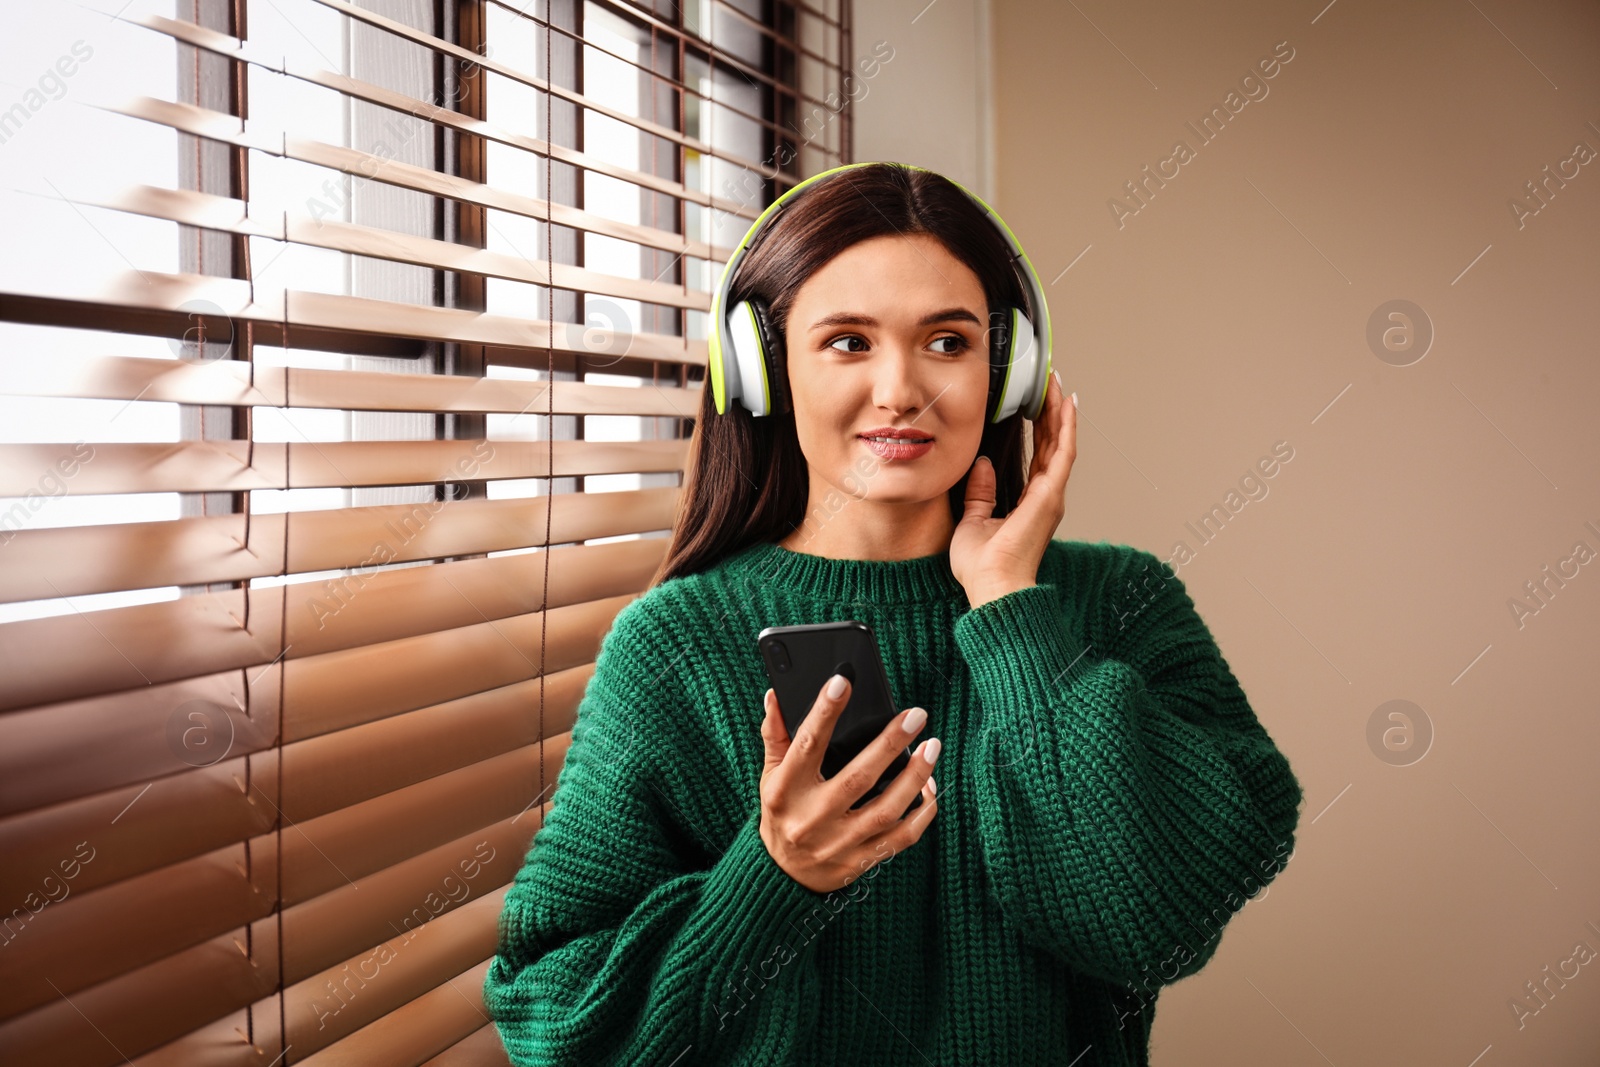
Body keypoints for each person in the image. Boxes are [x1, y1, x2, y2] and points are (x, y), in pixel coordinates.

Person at [483, 162, 1304, 1065]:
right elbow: (558, 1027)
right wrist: (777, 876)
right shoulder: (674, 645)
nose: (902, 389)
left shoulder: (1121, 602)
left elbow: (1149, 925)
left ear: (1010, 369)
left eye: (948, 343)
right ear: (762, 371)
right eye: (847, 342)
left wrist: (1013, 610)